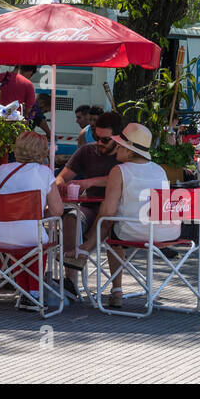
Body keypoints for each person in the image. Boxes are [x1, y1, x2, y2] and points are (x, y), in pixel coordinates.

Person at [69, 123, 179, 308]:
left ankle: (114, 286)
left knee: (111, 222)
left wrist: (93, 235)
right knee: (114, 220)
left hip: (133, 232)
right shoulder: (159, 170)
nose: (116, 147)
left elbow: (108, 213)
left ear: (129, 151)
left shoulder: (119, 171)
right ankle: (85, 250)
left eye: (120, 145)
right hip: (167, 233)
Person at [0, 131, 63, 304]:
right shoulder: (44, 172)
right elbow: (57, 210)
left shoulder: (2, 169)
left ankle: (25, 291)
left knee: (22, 238)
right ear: (42, 151)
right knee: (36, 240)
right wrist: (41, 214)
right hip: (29, 237)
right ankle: (34, 293)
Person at [53, 111, 123, 295]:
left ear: (118, 138)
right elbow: (61, 177)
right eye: (96, 137)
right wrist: (62, 187)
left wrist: (89, 182)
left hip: (117, 211)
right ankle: (70, 281)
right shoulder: (87, 151)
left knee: (109, 220)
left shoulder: (127, 155)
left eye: (105, 140)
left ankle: (116, 288)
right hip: (89, 208)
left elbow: (123, 177)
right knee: (70, 218)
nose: (99, 143)